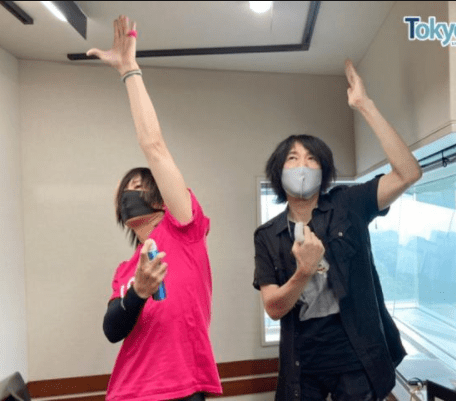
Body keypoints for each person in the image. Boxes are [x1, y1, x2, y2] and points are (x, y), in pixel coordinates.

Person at [253, 60, 423, 401]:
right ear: (278, 173)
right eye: (292, 159)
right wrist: (303, 271)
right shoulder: (268, 235)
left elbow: (408, 173)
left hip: (359, 361)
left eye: (311, 159)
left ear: (325, 170)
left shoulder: (348, 204)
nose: (302, 166)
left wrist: (365, 105)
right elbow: (273, 307)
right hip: (303, 367)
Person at [87, 15, 222, 401]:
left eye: (137, 186)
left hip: (182, 389)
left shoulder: (184, 229)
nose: (127, 195)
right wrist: (138, 292)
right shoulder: (126, 270)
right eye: (123, 192)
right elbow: (112, 329)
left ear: (160, 199)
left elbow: (154, 145)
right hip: (127, 392)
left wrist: (129, 71)